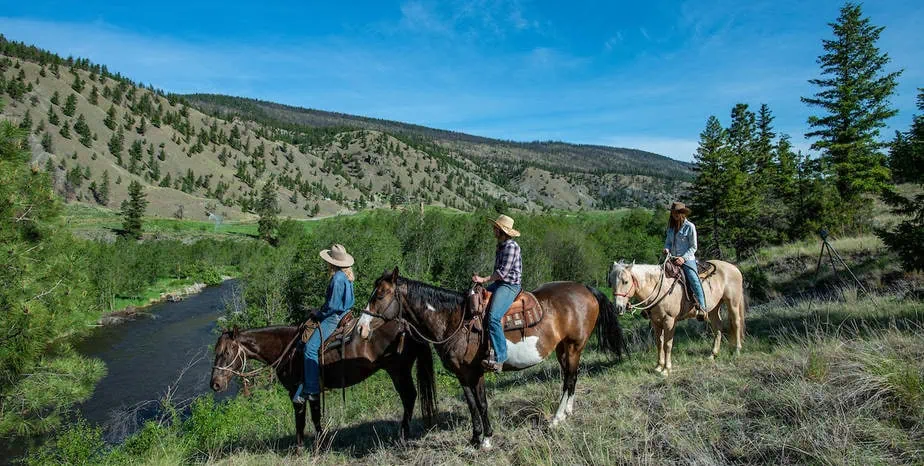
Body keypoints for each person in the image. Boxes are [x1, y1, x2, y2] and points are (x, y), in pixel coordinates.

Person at [293, 244, 355, 405]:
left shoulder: (337, 279)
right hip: (345, 314)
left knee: (310, 349)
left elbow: (332, 306)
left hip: (334, 317)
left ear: (331, 262)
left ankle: (312, 389)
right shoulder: (347, 275)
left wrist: (318, 313)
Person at [472, 214, 522, 373]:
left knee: (493, 317)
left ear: (501, 231)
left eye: (496, 228)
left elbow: (502, 273)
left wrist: (483, 279)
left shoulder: (511, 247)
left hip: (509, 285)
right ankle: (486, 346)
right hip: (500, 283)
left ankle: (501, 357)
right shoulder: (501, 245)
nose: (493, 230)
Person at [663, 202, 707, 320]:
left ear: (682, 213)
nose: (675, 215)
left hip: (687, 259)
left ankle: (702, 307)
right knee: (658, 275)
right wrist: (666, 248)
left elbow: (693, 247)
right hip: (672, 258)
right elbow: (668, 242)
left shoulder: (690, 226)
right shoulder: (671, 228)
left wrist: (683, 258)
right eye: (673, 213)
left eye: (677, 212)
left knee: (694, 278)